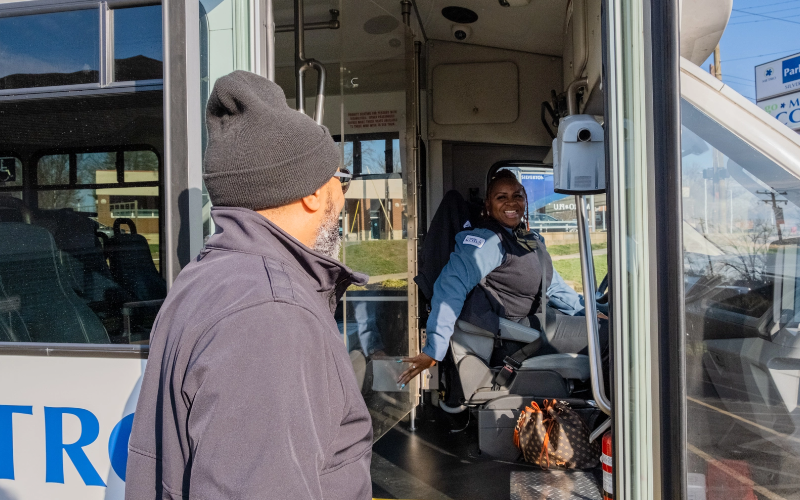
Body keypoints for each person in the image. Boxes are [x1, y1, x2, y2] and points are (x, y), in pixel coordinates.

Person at [125, 71, 373, 500]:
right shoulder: (271, 315)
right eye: (341, 178)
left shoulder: (209, 276)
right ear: (313, 192)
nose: (342, 194)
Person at [399, 169, 607, 386]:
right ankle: (620, 413)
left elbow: (554, 286)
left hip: (541, 322)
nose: (511, 203)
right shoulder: (487, 241)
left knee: (607, 327)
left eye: (517, 196)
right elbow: (451, 286)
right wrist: (435, 348)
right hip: (517, 337)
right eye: (502, 197)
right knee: (615, 336)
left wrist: (590, 312)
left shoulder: (527, 238)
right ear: (488, 205)